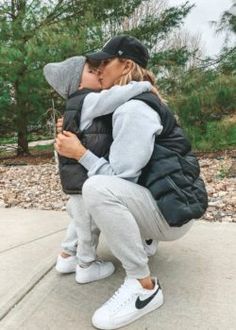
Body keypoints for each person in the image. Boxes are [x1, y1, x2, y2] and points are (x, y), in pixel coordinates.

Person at [54, 35, 208, 329]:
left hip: (171, 216)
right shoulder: (125, 105)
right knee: (91, 191)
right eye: (94, 65)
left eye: (104, 62)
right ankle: (142, 239)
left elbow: (117, 181)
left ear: (125, 65)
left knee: (96, 188)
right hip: (168, 202)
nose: (98, 69)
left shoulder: (133, 110)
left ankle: (143, 286)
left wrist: (81, 154)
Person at [43, 56, 156, 279]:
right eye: (91, 72)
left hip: (76, 177)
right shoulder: (87, 100)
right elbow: (115, 96)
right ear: (78, 84)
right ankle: (86, 265)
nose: (98, 72)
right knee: (88, 226)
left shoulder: (78, 105)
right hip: (84, 178)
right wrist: (144, 86)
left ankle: (67, 256)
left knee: (80, 219)